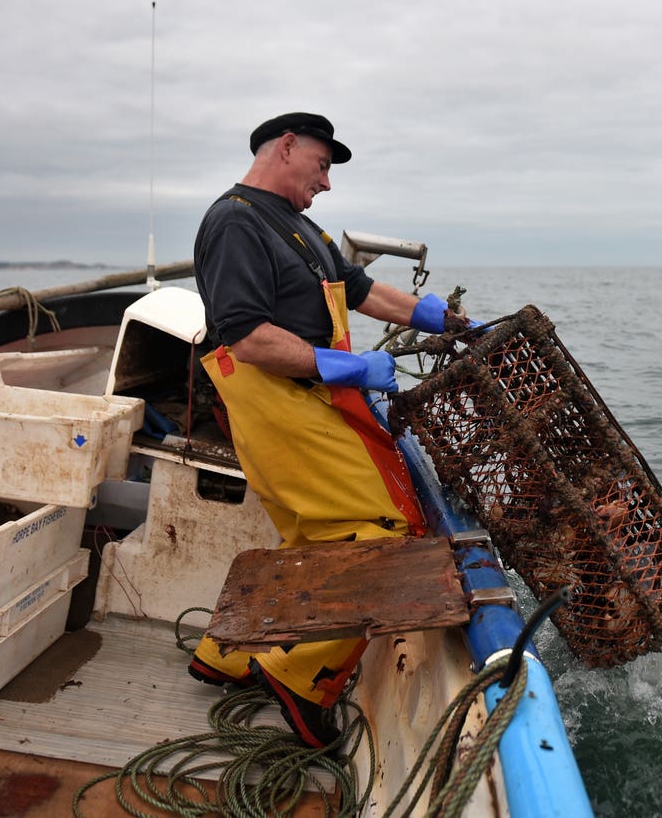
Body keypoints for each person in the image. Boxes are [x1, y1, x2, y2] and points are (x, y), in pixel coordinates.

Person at [188, 112, 468, 749]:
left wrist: (447, 321)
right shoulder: (236, 220)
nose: (327, 183)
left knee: (316, 530)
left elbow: (365, 291)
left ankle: (227, 653)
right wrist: (351, 364)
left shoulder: (301, 226)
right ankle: (302, 677)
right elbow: (248, 337)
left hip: (307, 399)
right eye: (322, 165)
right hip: (275, 400)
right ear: (286, 147)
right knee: (393, 525)